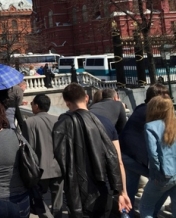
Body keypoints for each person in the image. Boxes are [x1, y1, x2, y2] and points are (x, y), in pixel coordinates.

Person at [53, 83, 126, 217]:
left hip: (78, 191)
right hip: (104, 186)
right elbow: (116, 159)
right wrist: (122, 192)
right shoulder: (104, 122)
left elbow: (62, 161)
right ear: (86, 98)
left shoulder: (62, 124)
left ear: (67, 103)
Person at [119, 83, 170, 217]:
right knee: (164, 184)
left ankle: (126, 215)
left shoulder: (140, 108)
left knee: (130, 188)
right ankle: (151, 212)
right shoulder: (152, 113)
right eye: (165, 96)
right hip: (135, 157)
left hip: (126, 153)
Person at [21, 94, 63, 218]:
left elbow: (28, 148)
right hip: (58, 167)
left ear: (37, 106)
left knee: (38, 198)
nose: (31, 106)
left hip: (39, 169)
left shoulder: (29, 122)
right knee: (58, 200)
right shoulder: (57, 120)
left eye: (32, 104)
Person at [139, 96, 176, 217]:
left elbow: (153, 154)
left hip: (163, 175)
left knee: (145, 206)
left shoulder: (151, 126)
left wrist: (155, 174)